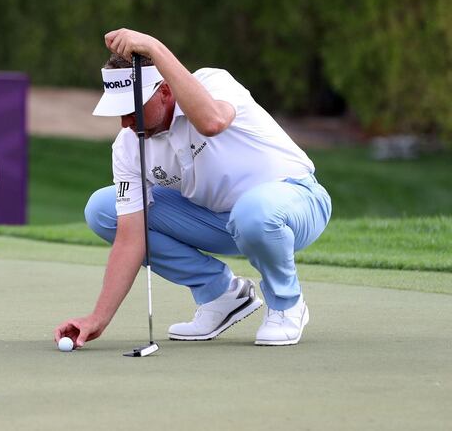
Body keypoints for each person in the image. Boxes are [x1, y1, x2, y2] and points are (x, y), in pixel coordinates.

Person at [54, 29, 332, 348]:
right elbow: (131, 238)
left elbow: (212, 122)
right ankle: (221, 293)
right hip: (220, 222)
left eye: (134, 110)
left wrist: (154, 47)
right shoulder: (128, 146)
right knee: (103, 211)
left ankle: (286, 304)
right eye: (120, 112)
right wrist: (97, 318)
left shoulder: (213, 83)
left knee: (253, 214)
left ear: (165, 92)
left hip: (294, 203)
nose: (126, 123)